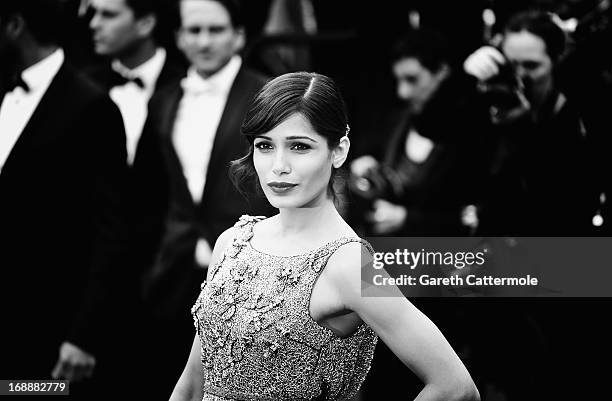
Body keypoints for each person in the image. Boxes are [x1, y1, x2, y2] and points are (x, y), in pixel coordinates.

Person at [169, 72, 480, 401]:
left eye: (299, 147)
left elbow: (455, 387)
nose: (279, 166)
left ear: (338, 150)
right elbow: (192, 383)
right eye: (264, 145)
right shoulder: (231, 243)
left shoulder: (351, 264)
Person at [138, 0, 274, 395]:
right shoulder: (164, 99)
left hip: (250, 274)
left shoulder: (267, 94)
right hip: (174, 273)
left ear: (239, 36)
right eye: (194, 31)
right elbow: (153, 191)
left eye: (215, 30)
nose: (204, 41)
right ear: (178, 38)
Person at [0, 0, 128, 398]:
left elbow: (112, 230)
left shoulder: (92, 107)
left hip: (47, 334)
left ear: (14, 25)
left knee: (30, 394)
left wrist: (83, 336)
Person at [463, 10, 599, 236]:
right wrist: (464, 82)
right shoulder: (490, 102)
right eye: (511, 65)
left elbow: (559, 209)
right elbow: (432, 129)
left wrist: (522, 129)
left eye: (531, 66)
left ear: (557, 60)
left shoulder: (575, 118)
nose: (519, 76)